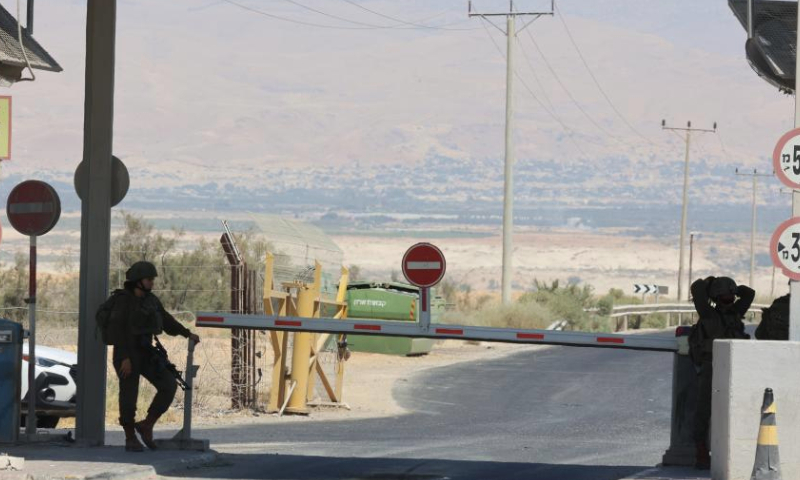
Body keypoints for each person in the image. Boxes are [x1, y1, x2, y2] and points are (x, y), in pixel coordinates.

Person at [109, 261, 201, 452]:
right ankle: (129, 437)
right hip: (126, 353)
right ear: (138, 281)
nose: (152, 282)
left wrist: (186, 333)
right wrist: (124, 358)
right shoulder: (123, 301)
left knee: (169, 384)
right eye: (149, 279)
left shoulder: (150, 300)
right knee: (129, 396)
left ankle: (147, 425)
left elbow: (167, 320)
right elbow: (117, 330)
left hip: (145, 351)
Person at [688, 276, 753, 470]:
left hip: (729, 364)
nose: (730, 296)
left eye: (731, 293)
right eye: (727, 293)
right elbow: (697, 289)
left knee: (727, 407)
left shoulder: (733, 313)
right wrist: (712, 285)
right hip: (712, 364)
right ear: (718, 296)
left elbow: (749, 294)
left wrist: (718, 286)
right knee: (704, 408)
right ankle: (701, 451)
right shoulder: (709, 314)